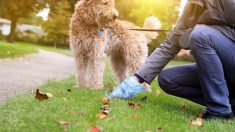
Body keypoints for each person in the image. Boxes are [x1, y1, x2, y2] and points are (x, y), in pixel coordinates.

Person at [107, 0, 235, 120]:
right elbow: (170, 44)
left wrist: (210, 31)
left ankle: (220, 110)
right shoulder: (193, 7)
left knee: (200, 35)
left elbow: (203, 35)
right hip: (223, 68)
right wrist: (136, 80)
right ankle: (230, 103)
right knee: (168, 79)